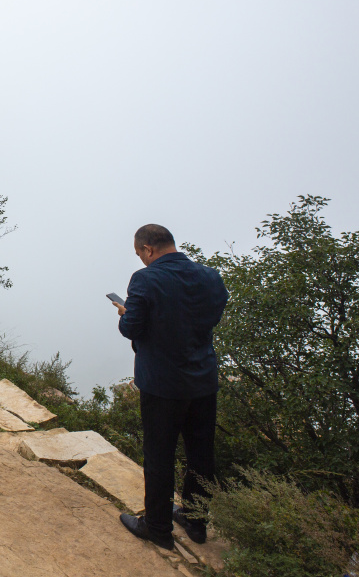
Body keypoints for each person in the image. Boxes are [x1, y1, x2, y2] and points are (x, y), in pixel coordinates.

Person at [113, 224, 229, 549]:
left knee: (159, 456)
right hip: (204, 382)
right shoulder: (210, 276)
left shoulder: (145, 279)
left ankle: (159, 528)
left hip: (163, 386)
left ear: (148, 249)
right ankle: (195, 523)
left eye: (140, 254)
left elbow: (131, 327)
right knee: (201, 455)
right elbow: (213, 313)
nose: (141, 260)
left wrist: (125, 313)